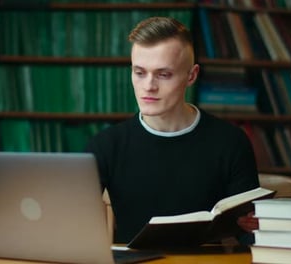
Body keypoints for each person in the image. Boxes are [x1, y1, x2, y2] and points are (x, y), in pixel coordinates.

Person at [86, 16, 259, 244]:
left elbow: (249, 234)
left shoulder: (230, 141)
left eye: (163, 74)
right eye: (139, 72)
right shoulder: (105, 146)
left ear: (191, 76)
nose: (148, 86)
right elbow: (72, 224)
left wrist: (256, 225)